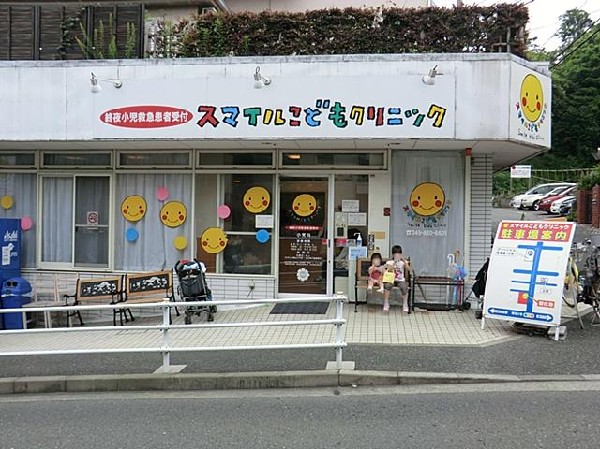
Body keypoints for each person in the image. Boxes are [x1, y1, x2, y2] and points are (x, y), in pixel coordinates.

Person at [382, 245, 409, 313]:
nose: (397, 255)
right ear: (393, 254)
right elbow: (389, 270)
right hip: (391, 279)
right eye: (395, 254)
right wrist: (394, 262)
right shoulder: (389, 262)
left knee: (404, 287)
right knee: (387, 286)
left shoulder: (403, 262)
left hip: (400, 280)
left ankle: (405, 304)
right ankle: (386, 303)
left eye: (399, 254)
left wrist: (403, 260)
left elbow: (409, 269)